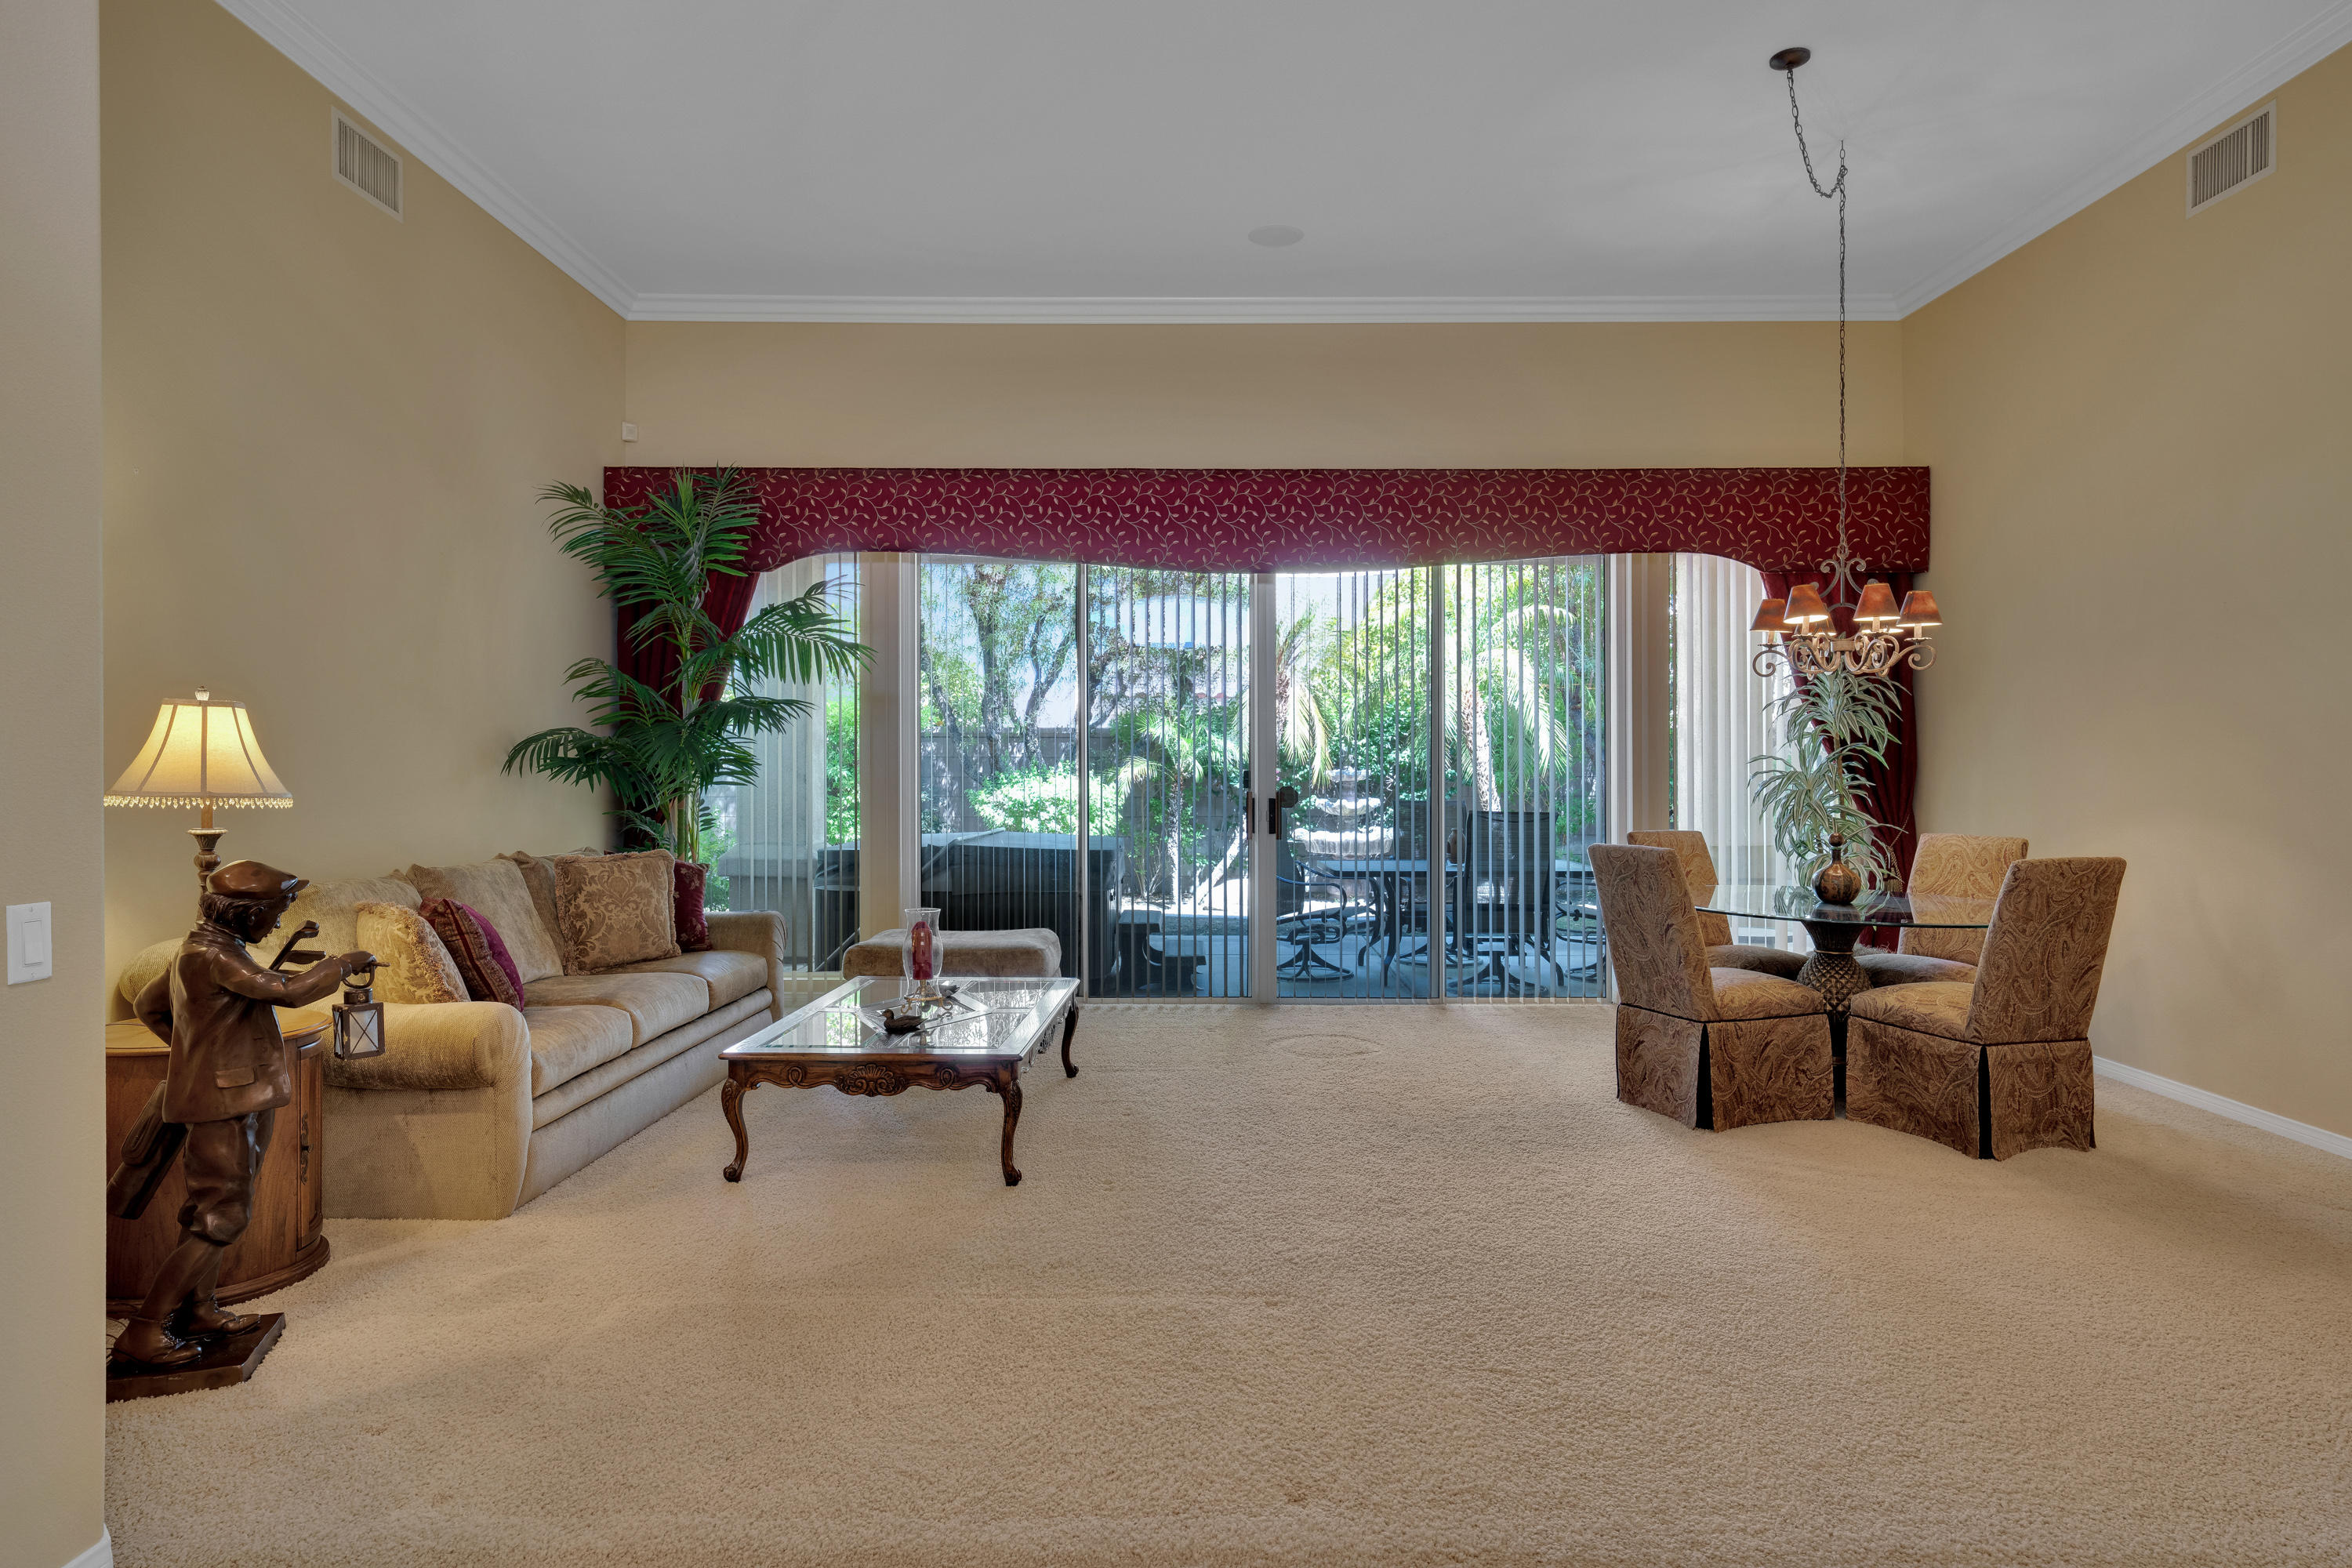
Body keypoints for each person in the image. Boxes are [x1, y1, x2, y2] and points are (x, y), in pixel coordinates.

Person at [111, 861, 372, 1368]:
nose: (277, 925)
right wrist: (343, 964)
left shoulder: (203, 950)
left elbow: (149, 1006)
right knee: (221, 1216)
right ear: (249, 913)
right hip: (225, 1106)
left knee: (217, 1210)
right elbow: (288, 992)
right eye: (274, 914)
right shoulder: (216, 957)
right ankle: (143, 1330)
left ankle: (200, 1310)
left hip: (240, 1099)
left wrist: (194, 1060)